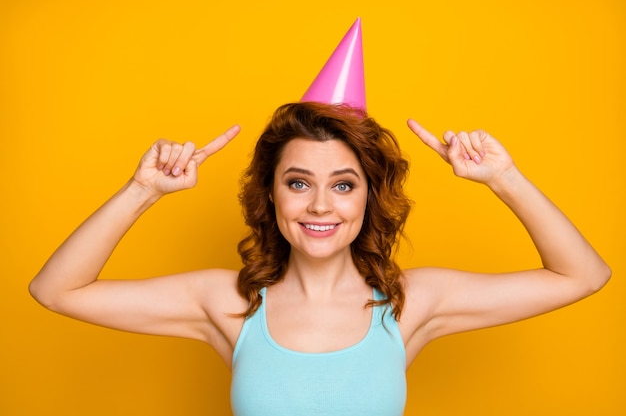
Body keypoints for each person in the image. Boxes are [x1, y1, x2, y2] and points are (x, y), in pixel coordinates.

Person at [29, 101, 610, 415]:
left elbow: (583, 275)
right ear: (271, 194)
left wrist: (503, 178)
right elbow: (57, 291)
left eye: (343, 184)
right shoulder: (229, 304)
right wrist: (144, 190)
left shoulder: (412, 302)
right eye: (299, 182)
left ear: (368, 197)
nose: (320, 205)